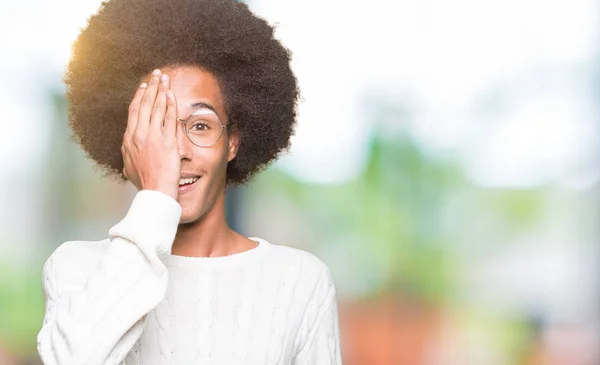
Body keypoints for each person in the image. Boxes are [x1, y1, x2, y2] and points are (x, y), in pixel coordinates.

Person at [36, 0, 342, 364]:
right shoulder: (76, 268)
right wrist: (154, 198)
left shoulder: (300, 281)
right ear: (132, 142)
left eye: (200, 125)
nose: (177, 150)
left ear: (232, 141)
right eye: (158, 126)